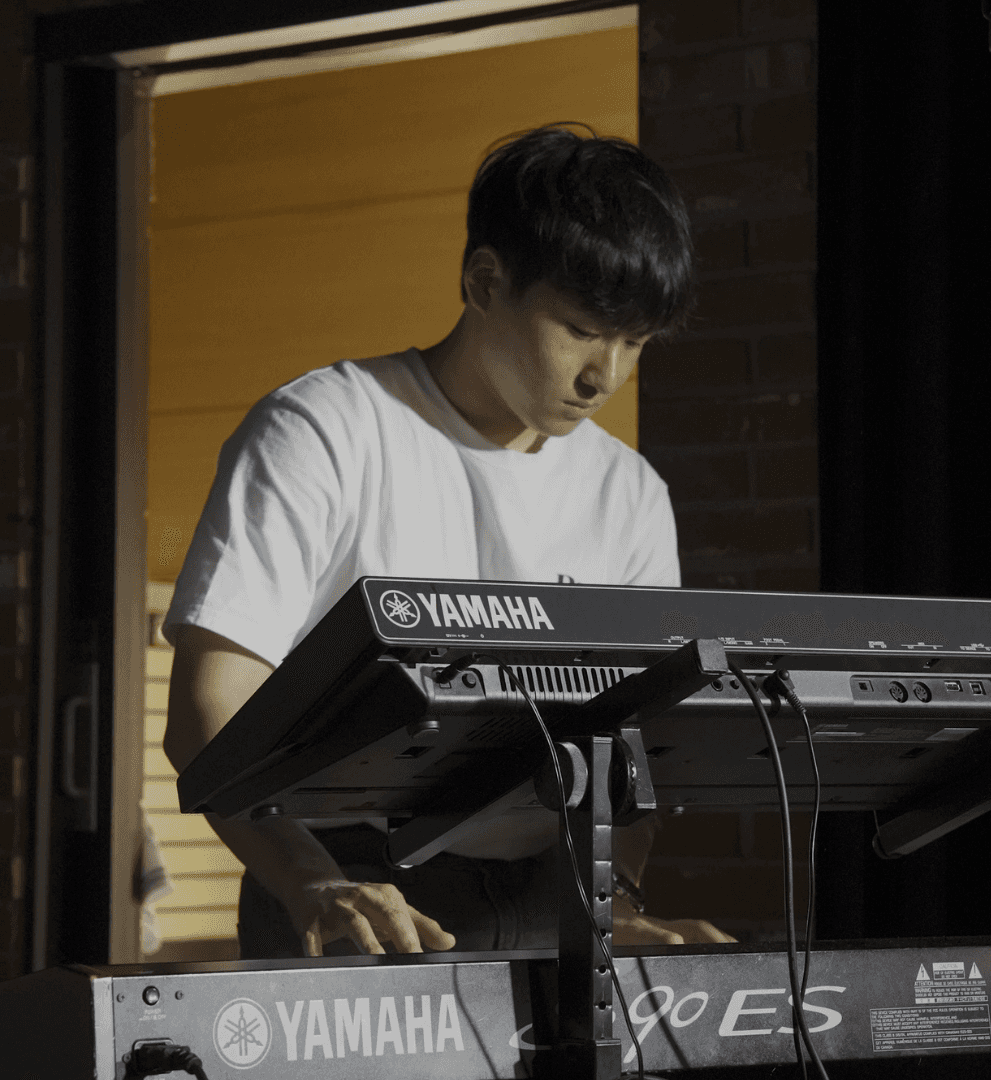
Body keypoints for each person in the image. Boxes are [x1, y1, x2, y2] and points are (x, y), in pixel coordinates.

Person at [162, 124, 735, 959]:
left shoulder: (631, 492)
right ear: (484, 282)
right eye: (580, 329)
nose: (604, 376)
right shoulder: (323, 428)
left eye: (635, 343)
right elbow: (207, 707)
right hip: (347, 877)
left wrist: (614, 904)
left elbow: (636, 738)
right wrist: (309, 881)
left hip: (554, 888)